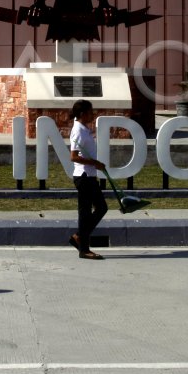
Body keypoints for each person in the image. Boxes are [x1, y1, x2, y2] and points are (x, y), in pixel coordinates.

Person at [67, 99, 108, 260]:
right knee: (88, 211)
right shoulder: (78, 130)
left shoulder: (84, 129)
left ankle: (79, 237)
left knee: (100, 208)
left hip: (88, 176)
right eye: (91, 112)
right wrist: (95, 163)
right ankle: (83, 247)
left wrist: (95, 165)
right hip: (84, 177)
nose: (93, 114)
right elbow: (73, 157)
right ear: (83, 114)